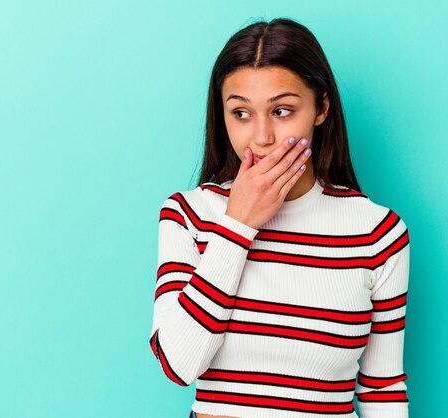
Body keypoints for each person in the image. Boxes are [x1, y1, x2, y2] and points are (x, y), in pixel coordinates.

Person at [149, 17, 410, 418]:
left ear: (321, 108)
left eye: (282, 110)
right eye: (241, 113)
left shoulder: (377, 232)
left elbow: (383, 387)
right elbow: (177, 364)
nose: (261, 137)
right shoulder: (189, 215)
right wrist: (237, 225)